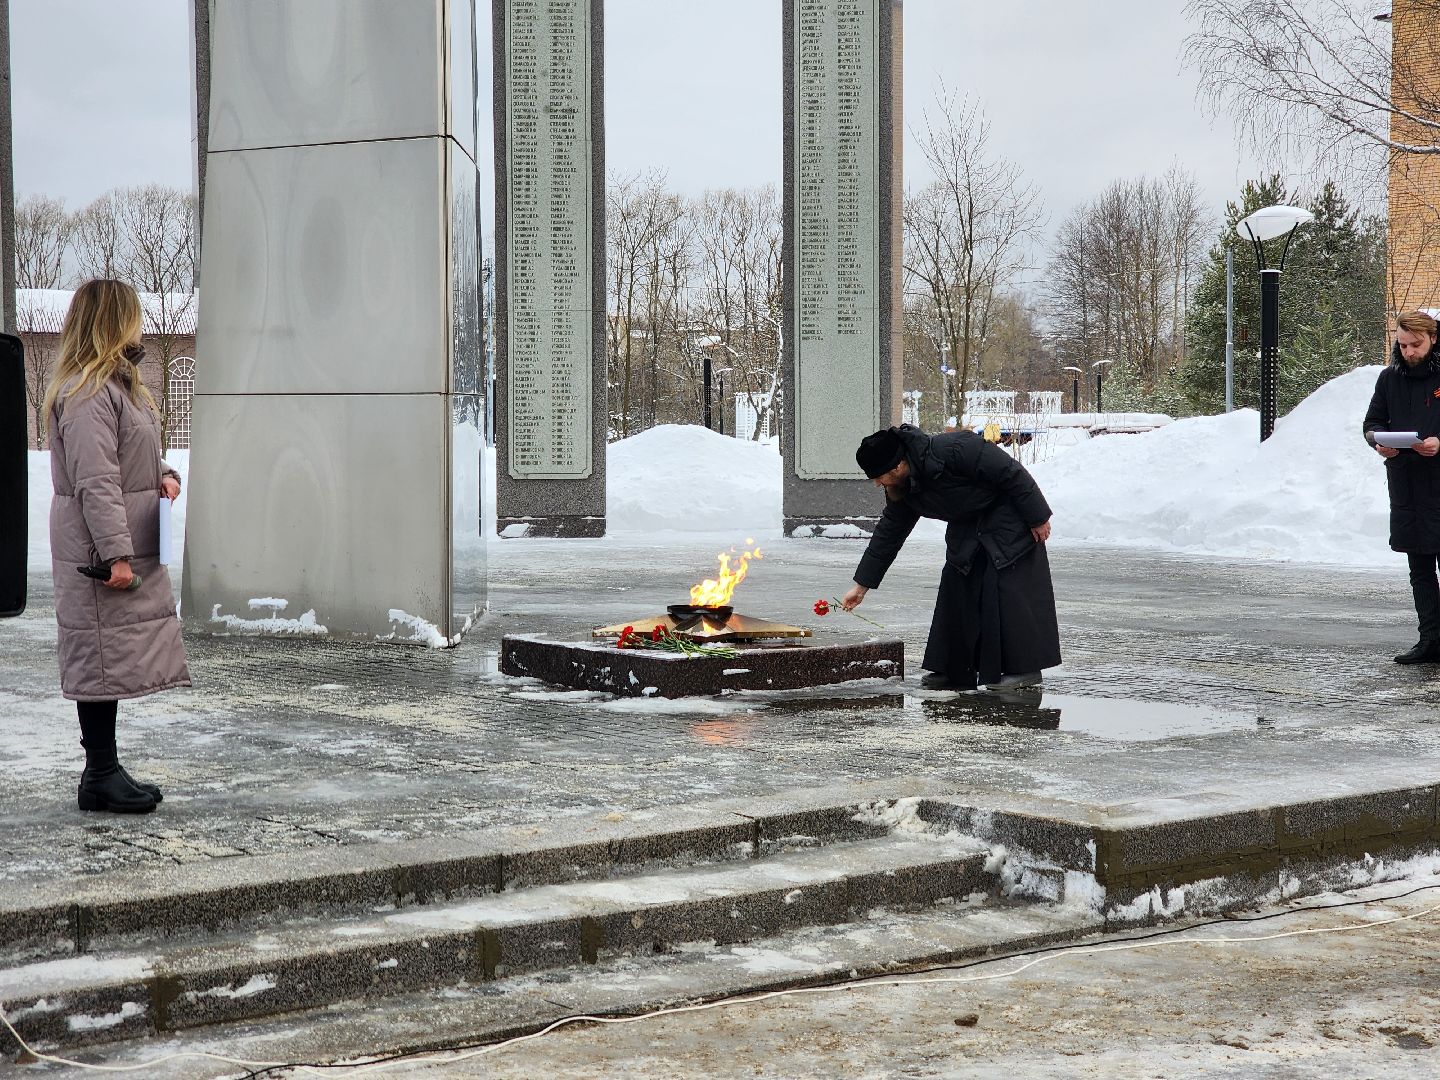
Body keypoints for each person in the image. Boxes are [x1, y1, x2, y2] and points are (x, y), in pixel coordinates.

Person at [44, 279, 191, 813]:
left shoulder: (114, 386)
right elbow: (97, 480)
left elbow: (130, 459)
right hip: (97, 552)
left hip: (109, 543)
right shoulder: (87, 393)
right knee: (98, 655)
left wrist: (165, 475)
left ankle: (103, 769)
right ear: (112, 322)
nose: (141, 326)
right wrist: (115, 555)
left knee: (104, 658)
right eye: (133, 316)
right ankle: (99, 773)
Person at [841, 424, 1061, 691]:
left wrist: (1038, 517)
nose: (877, 484)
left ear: (897, 466)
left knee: (1005, 591)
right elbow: (889, 533)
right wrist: (862, 586)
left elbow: (1011, 473)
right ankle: (954, 668)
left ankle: (1023, 669)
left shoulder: (955, 449)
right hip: (967, 523)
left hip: (1008, 518)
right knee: (958, 586)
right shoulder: (903, 488)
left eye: (878, 477)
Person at [1363, 309, 1440, 665]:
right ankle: (1430, 641)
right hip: (1406, 485)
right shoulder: (1388, 379)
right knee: (1420, 568)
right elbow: (1372, 422)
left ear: (1433, 339)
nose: (1408, 351)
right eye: (1403, 344)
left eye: (1416, 344)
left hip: (1438, 481)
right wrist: (1378, 442)